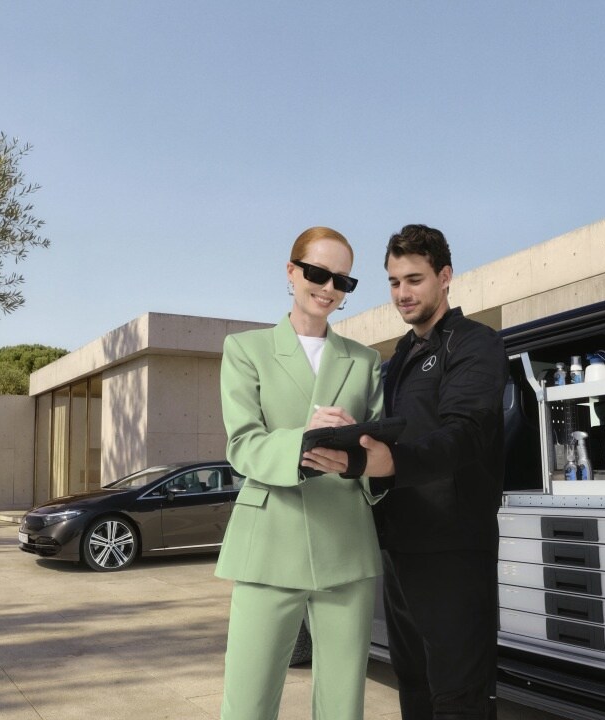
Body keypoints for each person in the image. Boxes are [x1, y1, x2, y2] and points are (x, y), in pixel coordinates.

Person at [216, 226, 385, 720]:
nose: (329, 288)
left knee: (342, 705)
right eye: (318, 273)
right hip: (269, 541)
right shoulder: (245, 349)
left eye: (343, 281)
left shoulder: (366, 361)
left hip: (346, 544)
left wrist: (358, 451)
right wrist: (305, 438)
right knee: (247, 702)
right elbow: (242, 444)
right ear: (291, 272)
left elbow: (379, 453)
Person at [360, 224, 509, 720]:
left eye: (414, 279)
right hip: (399, 548)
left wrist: (393, 462)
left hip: (453, 549)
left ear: (445, 277)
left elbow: (466, 433)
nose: (402, 293)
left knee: (458, 697)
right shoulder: (399, 356)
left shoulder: (474, 344)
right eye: (393, 281)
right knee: (414, 686)